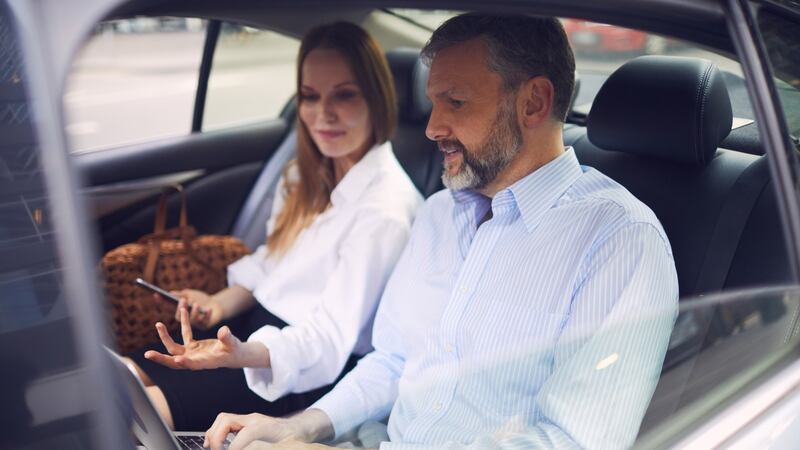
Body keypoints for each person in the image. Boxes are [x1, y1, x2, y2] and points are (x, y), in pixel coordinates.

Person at [203, 14, 679, 450]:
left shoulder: (619, 240)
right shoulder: (438, 215)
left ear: (533, 102)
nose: (432, 127)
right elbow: (393, 361)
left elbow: (568, 442)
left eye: (456, 101)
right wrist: (299, 426)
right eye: (434, 103)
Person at [125, 21, 423, 432]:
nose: (324, 114)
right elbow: (271, 265)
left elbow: (327, 339)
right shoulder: (303, 176)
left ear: (377, 98)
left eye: (345, 95)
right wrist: (218, 305)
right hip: (247, 334)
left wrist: (242, 354)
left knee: (136, 412)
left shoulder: (386, 212)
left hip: (296, 366)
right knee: (121, 376)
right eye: (310, 96)